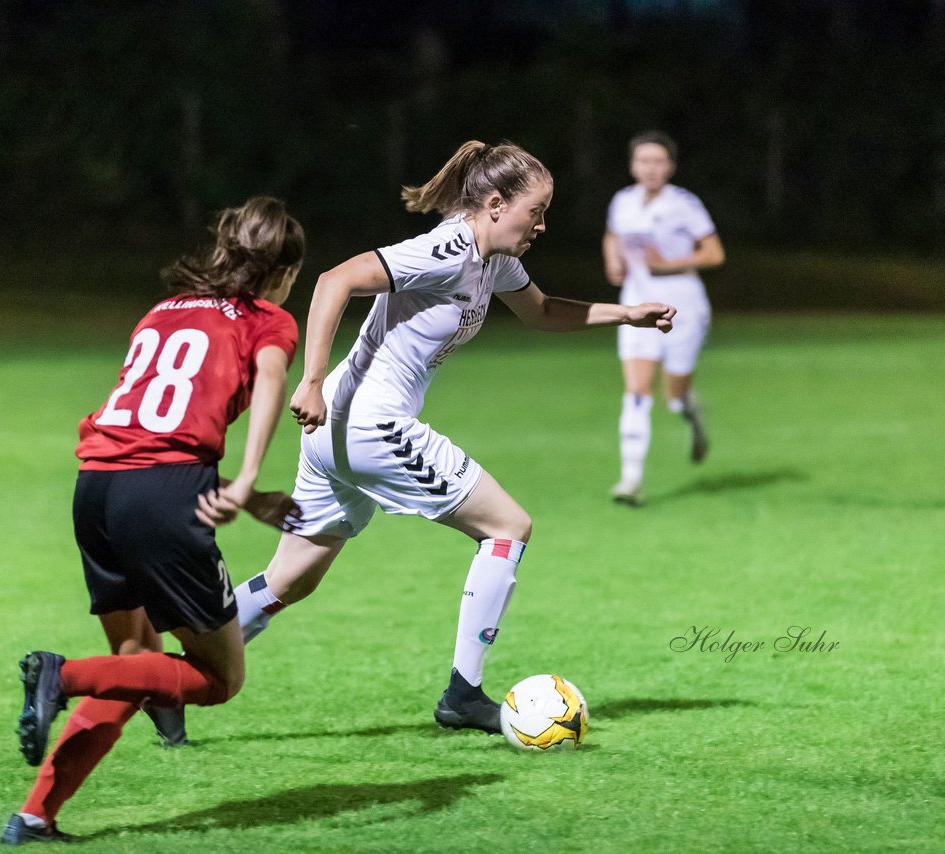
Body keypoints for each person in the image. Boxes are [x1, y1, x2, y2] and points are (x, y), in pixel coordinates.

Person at [196, 141, 676, 736]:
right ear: (496, 204)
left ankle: (177, 678)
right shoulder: (447, 249)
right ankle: (463, 694)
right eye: (537, 210)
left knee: (291, 579)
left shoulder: (492, 260)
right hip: (369, 424)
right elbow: (335, 280)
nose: (543, 224)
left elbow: (543, 311)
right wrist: (312, 380)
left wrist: (624, 314)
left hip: (337, 437)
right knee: (508, 526)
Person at [0, 196, 304, 844]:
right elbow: (273, 379)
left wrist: (247, 500)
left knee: (138, 660)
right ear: (283, 273)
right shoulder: (267, 319)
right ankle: (62, 674)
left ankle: (34, 816)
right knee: (220, 679)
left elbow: (149, 434)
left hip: (96, 489)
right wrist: (248, 475)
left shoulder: (163, 311)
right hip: (161, 498)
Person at [603, 130, 725, 507]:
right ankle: (630, 480)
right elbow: (612, 236)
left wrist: (670, 264)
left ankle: (692, 411)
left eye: (658, 161)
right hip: (637, 308)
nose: (651, 168)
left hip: (684, 307)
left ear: (670, 166)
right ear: (632, 165)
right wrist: (612, 261)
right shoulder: (622, 202)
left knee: (674, 397)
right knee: (637, 392)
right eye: (643, 161)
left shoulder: (684, 204)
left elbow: (714, 253)